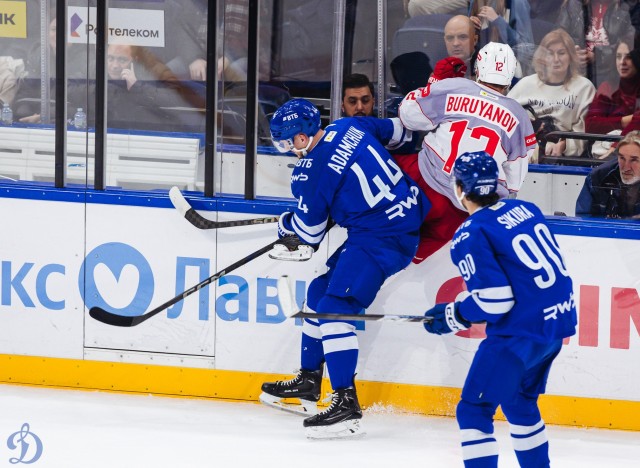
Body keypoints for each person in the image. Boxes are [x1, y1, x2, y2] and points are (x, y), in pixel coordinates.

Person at [259, 98, 430, 439]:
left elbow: (308, 236)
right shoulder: (348, 125)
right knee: (319, 292)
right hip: (397, 219)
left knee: (335, 307)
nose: (287, 149)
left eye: (287, 142)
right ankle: (309, 381)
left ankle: (345, 403)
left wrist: (285, 224)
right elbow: (401, 132)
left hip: (383, 238)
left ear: (302, 136)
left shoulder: (310, 171)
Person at [423, 151, 577, 468]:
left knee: (474, 410)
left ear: (460, 189)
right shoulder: (525, 208)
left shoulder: (471, 232)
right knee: (519, 403)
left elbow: (496, 300)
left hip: (519, 334)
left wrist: (454, 315)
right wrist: (458, 311)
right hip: (554, 326)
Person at [397, 42, 536, 263]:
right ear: (510, 75)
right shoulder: (518, 115)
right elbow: (514, 180)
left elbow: (408, 116)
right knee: (417, 264)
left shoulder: (456, 86)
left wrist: (436, 83)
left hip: (421, 181)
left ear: (478, 68)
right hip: (462, 209)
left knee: (383, 236)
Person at [508, 29, 596, 157]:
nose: (556, 59)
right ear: (542, 58)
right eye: (550, 53)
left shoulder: (584, 88)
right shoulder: (525, 85)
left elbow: (583, 133)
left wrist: (563, 146)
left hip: (564, 159)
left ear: (571, 56)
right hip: (523, 153)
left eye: (561, 53)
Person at [575, 130, 640, 218]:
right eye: (622, 158)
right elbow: (583, 218)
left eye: (634, 160)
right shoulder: (597, 177)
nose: (626, 167)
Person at [585, 40, 640, 137]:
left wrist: (610, 123)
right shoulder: (608, 87)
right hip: (608, 144)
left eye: (629, 57)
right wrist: (626, 120)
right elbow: (590, 125)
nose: (622, 62)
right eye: (618, 56)